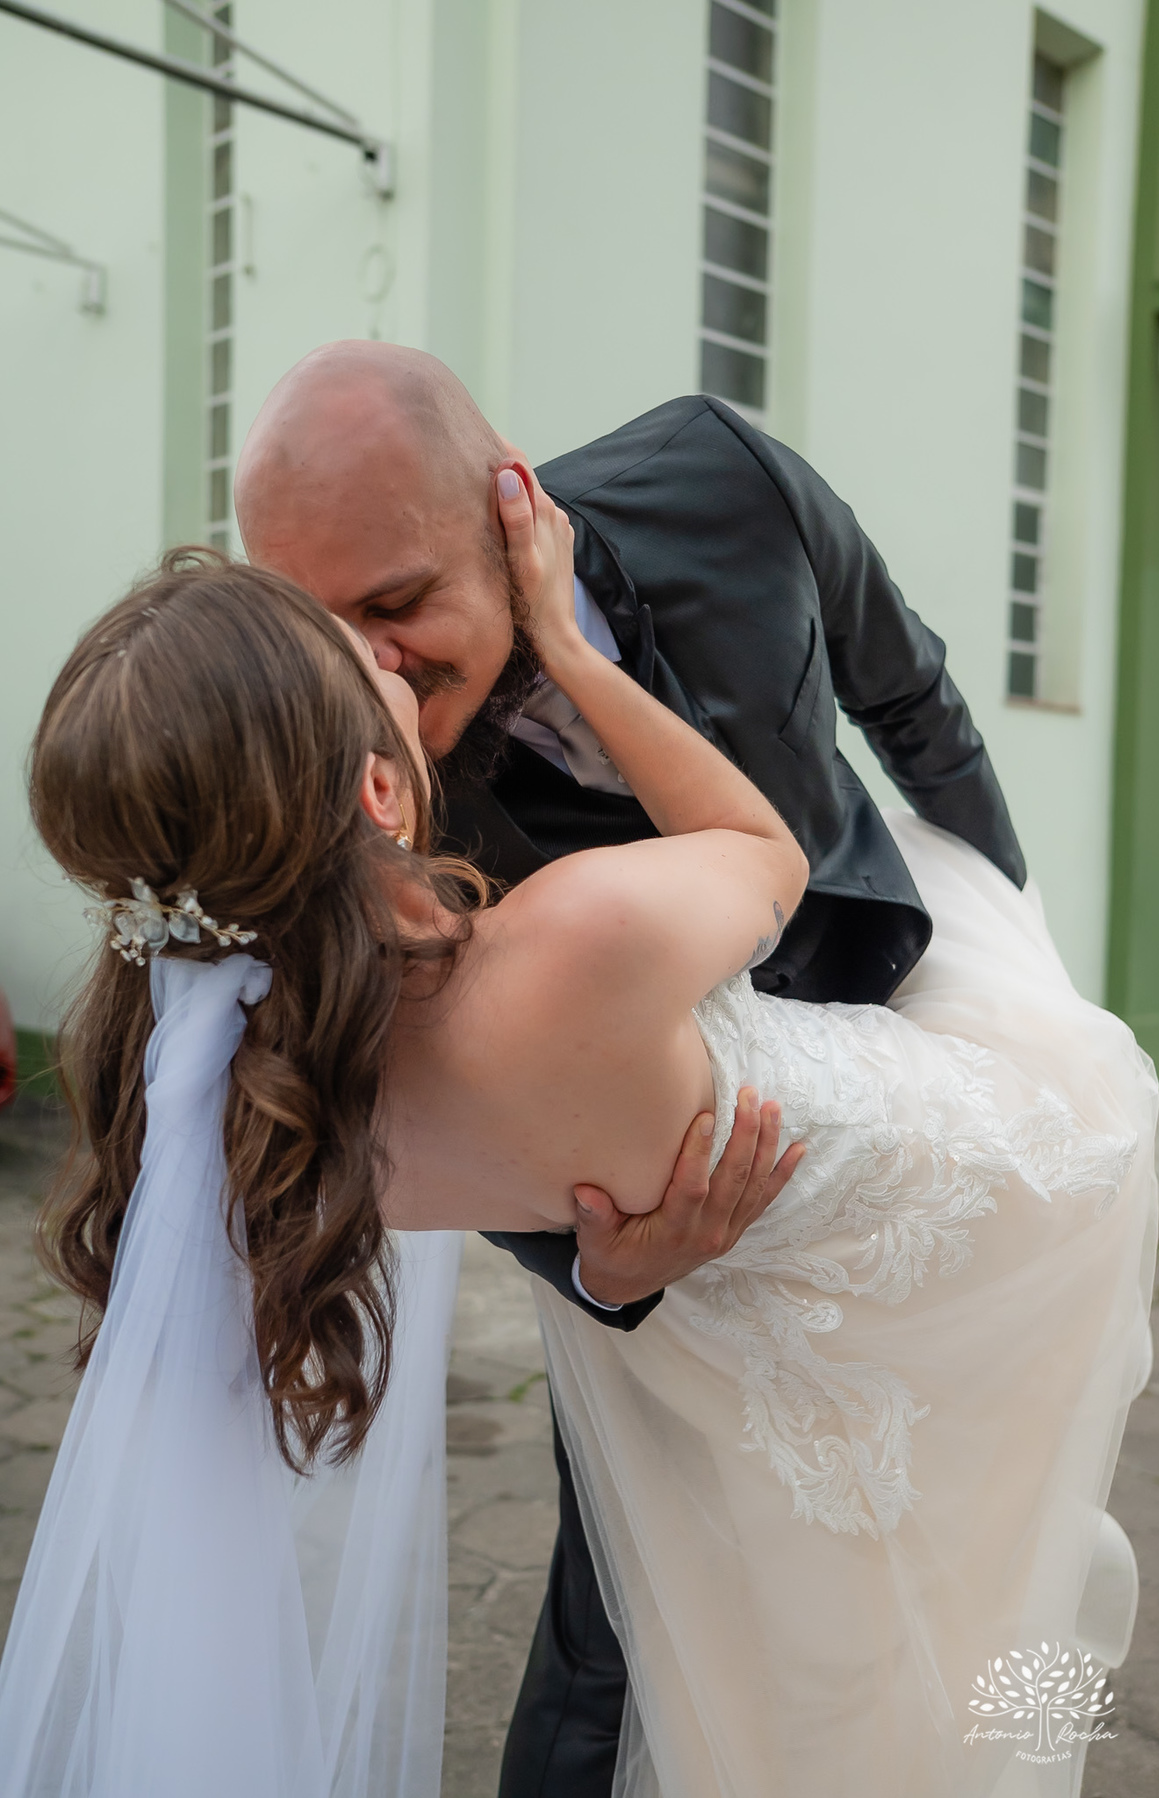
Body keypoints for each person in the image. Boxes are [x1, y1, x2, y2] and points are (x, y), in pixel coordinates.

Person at [8, 478, 1153, 1793]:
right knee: (965, 1588)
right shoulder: (572, 945)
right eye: (355, 659)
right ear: (384, 792)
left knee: (817, 1661)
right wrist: (559, 640)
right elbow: (763, 850)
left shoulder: (275, 1100)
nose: (383, 650)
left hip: (718, 1344)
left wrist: (610, 1272)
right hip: (963, 1198)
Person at [233, 342, 1031, 1798]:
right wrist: (610, 1270)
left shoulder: (718, 477)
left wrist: (1016, 944)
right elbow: (450, 1094)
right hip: (654, 1233)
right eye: (322, 623)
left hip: (896, 1077)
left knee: (948, 1533)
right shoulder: (365, 776)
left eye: (397, 605)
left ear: (508, 506)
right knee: (615, 1601)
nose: (373, 670)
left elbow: (909, 698)